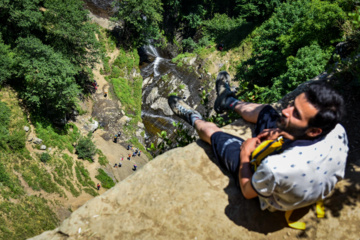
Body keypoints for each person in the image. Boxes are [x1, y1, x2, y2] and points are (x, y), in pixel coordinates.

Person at [168, 71, 348, 212]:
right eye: (293, 105)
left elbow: (247, 191)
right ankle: (228, 101)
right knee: (268, 112)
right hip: (301, 161)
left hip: (269, 192)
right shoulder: (337, 132)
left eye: (296, 114)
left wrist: (245, 153)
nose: (286, 110)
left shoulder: (276, 167)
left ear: (314, 131)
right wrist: (284, 131)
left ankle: (194, 118)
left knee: (216, 135)